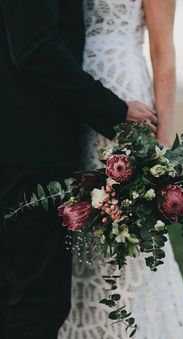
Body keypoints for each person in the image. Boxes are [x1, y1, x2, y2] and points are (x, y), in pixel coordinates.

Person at [0, 1, 156, 338]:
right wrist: (113, 111)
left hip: (18, 141)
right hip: (30, 147)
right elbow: (35, 49)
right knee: (38, 304)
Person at [59, 1, 183, 338]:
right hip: (71, 95)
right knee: (74, 223)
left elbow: (163, 50)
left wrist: (163, 159)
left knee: (124, 233)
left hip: (124, 95)